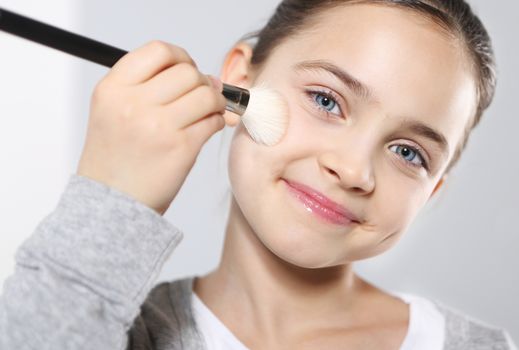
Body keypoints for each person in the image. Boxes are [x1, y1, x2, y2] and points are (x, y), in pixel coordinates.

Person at [0, 0, 517, 349]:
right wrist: (112, 202)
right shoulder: (107, 326)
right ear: (239, 81)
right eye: (325, 100)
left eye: (409, 153)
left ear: (432, 193)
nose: (355, 169)